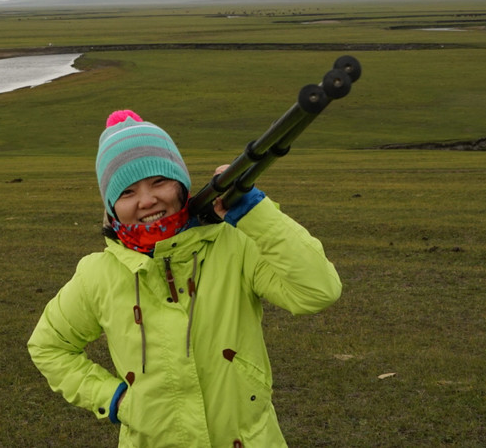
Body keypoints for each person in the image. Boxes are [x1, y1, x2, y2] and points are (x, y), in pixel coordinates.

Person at [28, 110, 342, 447]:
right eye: (127, 191)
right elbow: (49, 347)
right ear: (111, 206)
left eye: (159, 181)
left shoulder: (234, 243)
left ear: (181, 184)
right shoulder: (98, 275)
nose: (147, 200)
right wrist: (115, 398)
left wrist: (255, 212)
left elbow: (318, 291)